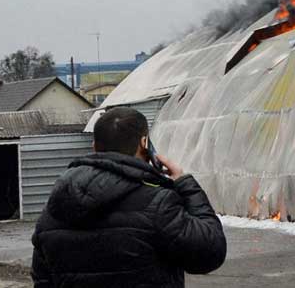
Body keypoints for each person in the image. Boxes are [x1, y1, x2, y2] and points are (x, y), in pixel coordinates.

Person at [32, 106, 226, 287]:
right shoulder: (158, 203)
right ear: (144, 143)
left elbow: (42, 281)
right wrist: (185, 183)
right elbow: (210, 252)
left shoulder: (55, 207)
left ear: (94, 146)